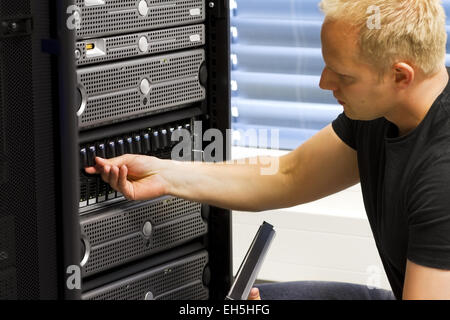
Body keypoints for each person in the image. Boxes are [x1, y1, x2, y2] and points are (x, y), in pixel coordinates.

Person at [85, 0, 450, 300]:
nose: (324, 82)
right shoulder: (381, 111)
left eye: (343, 75)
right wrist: (166, 173)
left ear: (401, 76)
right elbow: (289, 174)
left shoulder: (441, 175)